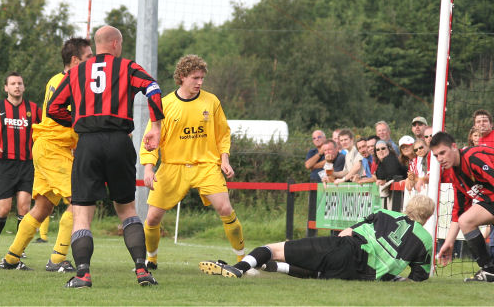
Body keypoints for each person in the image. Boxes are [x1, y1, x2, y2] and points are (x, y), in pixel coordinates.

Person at [47, 25, 164, 288]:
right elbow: (153, 88)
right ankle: (141, 271)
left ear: (97, 44)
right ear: (115, 44)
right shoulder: (127, 67)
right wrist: (155, 126)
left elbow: (53, 107)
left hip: (87, 143)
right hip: (120, 141)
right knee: (127, 210)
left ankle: (83, 275)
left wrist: (78, 121)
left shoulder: (76, 72)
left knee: (81, 214)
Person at [140, 54, 244, 270]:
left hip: (206, 166)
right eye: (195, 78)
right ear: (182, 77)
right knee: (151, 219)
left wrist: (224, 158)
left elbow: (223, 134)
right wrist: (149, 168)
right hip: (173, 167)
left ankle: (243, 261)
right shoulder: (165, 104)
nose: (199, 82)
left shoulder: (211, 101)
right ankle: (152, 259)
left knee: (225, 208)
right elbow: (151, 140)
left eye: (202, 78)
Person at [0, 37, 92, 271]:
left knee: (43, 207)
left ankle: (11, 258)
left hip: (45, 146)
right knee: (79, 201)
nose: (92, 62)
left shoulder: (57, 79)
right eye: (88, 58)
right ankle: (58, 259)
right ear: (75, 60)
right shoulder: (73, 82)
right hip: (53, 149)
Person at [200, 194, 435, 282]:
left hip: (350, 248)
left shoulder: (386, 213)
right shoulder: (425, 241)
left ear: (408, 207)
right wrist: (392, 276)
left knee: (272, 247)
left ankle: (239, 268)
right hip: (365, 276)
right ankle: (270, 266)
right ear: (427, 216)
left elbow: (348, 232)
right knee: (320, 274)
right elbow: (418, 277)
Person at [0, 72, 41, 257]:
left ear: (24, 86)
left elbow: (45, 131)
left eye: (20, 83)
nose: (17, 86)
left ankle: (19, 249)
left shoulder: (34, 109)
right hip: (4, 165)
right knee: (4, 209)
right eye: (13, 83)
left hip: (27, 164)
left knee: (24, 207)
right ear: (6, 87)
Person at [430, 131, 494, 282]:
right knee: (465, 220)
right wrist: (449, 242)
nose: (440, 159)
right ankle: (489, 270)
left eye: (442, 153)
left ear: (454, 146)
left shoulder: (474, 158)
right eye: (436, 156)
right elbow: (459, 211)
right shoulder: (454, 174)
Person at [374, 140, 407, 210]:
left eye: (383, 148)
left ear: (388, 149)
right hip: (393, 195)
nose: (380, 151)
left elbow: (394, 174)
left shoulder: (390, 159)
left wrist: (385, 181)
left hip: (399, 194)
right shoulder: (381, 162)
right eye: (377, 150)